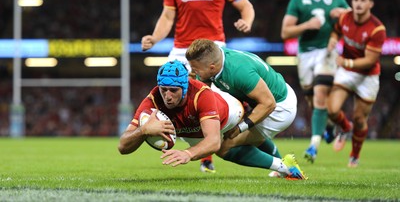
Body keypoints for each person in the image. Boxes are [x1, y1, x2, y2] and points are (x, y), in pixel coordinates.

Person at [141, 0, 255, 172]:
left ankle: (219, 144)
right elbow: (167, 16)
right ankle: (204, 154)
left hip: (213, 49)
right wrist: (155, 37)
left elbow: (246, 6)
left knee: (211, 101)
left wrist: (247, 21)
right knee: (175, 99)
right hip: (182, 49)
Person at [118, 60, 306, 180]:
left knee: (224, 148)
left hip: (230, 114)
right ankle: (284, 165)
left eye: (173, 90)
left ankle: (284, 166)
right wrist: (143, 131)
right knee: (223, 145)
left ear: (184, 88)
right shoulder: (152, 101)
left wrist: (188, 154)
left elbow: (214, 142)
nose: (167, 96)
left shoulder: (201, 95)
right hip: (193, 131)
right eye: (163, 89)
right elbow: (122, 147)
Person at [185, 39, 307, 179]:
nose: (193, 71)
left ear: (212, 67)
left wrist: (240, 128)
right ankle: (283, 169)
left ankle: (286, 168)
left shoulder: (238, 72)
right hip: (271, 96)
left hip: (279, 109)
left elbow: (268, 103)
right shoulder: (218, 60)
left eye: (195, 69)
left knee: (223, 146)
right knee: (253, 136)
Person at [280, 0, 351, 163]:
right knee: (313, 103)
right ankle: (329, 127)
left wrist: (344, 15)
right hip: (305, 55)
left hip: (327, 53)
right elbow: (285, 32)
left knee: (320, 95)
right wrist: (307, 25)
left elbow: (354, 20)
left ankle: (313, 147)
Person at [326, 0, 386, 167]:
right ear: (351, 3)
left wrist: (347, 63)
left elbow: (370, 60)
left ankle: (354, 155)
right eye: (356, 0)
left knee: (360, 119)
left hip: (367, 76)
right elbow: (336, 29)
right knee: (332, 110)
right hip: (347, 72)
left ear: (371, 4)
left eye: (363, 0)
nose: (358, 4)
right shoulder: (345, 17)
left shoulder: (377, 29)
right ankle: (345, 128)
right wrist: (333, 39)